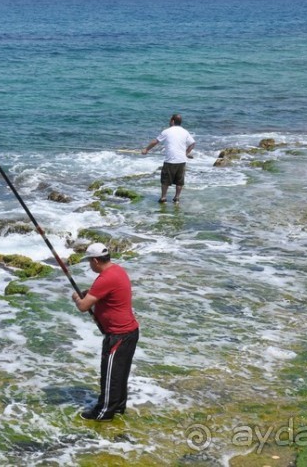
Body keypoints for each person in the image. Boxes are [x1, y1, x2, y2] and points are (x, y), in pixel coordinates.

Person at [71, 243, 139, 421]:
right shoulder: (116, 271)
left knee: (109, 375)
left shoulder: (105, 278)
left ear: (95, 260)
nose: (89, 266)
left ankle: (104, 412)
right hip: (129, 332)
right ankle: (118, 407)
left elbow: (84, 306)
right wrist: (88, 294)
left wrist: (77, 298)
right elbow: (101, 295)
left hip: (119, 335)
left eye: (89, 262)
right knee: (119, 374)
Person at [142, 113, 196, 203]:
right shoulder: (185, 131)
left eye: (170, 120)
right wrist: (186, 153)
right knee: (179, 181)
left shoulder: (167, 131)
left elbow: (155, 141)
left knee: (165, 180)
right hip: (181, 160)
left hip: (170, 160)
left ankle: (163, 197)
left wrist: (146, 149)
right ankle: (177, 197)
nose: (169, 121)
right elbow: (192, 143)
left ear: (173, 121)